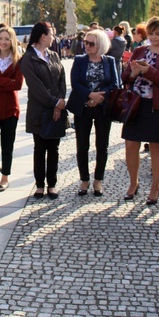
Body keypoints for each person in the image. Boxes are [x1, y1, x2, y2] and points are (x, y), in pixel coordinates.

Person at [121, 16, 159, 205]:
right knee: (130, 144)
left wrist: (150, 72)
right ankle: (133, 183)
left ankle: (155, 186)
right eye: (151, 33)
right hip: (136, 104)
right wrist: (133, 73)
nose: (154, 37)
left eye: (158, 34)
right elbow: (125, 76)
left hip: (158, 106)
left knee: (155, 146)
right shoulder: (139, 50)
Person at [67, 28, 119, 197]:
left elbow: (115, 84)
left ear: (101, 45)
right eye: (85, 43)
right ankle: (84, 179)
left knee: (102, 146)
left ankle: (98, 179)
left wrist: (99, 97)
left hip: (103, 108)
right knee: (82, 144)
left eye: (91, 43)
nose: (87, 46)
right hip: (83, 107)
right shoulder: (80, 60)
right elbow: (75, 83)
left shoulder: (109, 61)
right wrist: (90, 95)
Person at [20, 22, 66, 200]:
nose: (53, 38)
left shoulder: (54, 55)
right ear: (43, 36)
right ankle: (39, 185)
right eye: (51, 34)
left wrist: (59, 103)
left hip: (57, 109)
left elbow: (62, 79)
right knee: (39, 148)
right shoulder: (28, 59)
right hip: (39, 110)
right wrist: (54, 102)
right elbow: (35, 86)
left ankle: (52, 184)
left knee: (54, 148)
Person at [0, 26, 24, 192]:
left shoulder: (18, 60)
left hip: (10, 108)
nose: (3, 42)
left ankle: (5, 176)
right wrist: (6, 81)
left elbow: (18, 84)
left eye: (7, 39)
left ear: (12, 41)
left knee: (7, 145)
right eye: (0, 38)